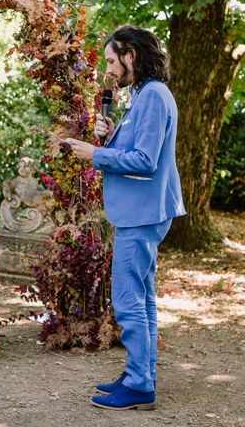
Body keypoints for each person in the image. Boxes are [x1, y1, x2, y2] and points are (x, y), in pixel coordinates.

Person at [65, 25, 186, 410]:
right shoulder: (144, 96)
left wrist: (94, 154)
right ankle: (141, 373)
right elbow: (140, 148)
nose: (110, 69)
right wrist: (114, 132)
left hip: (142, 211)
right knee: (143, 298)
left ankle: (138, 385)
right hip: (143, 209)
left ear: (131, 54)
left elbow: (146, 161)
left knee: (127, 299)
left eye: (112, 60)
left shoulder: (152, 96)